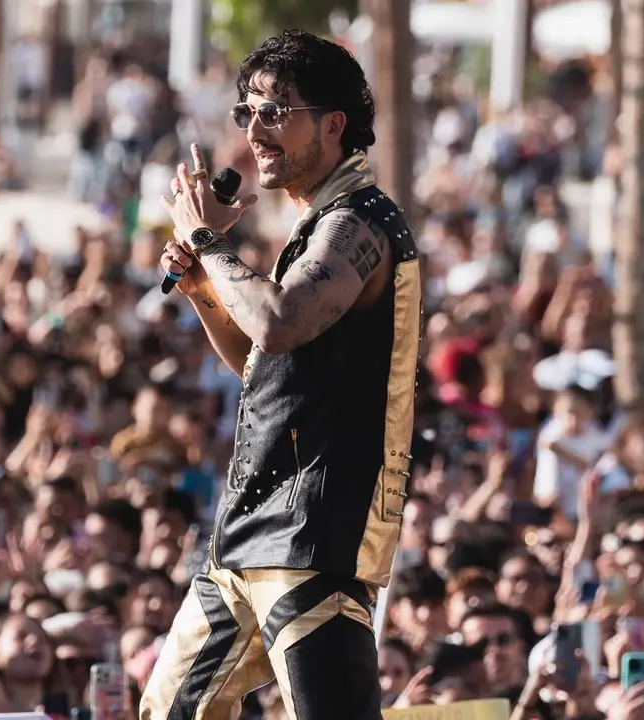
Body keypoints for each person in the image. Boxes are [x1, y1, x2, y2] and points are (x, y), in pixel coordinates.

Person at [143, 29, 421, 719]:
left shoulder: (361, 222)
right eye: (247, 112)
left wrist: (209, 241)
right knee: (170, 709)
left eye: (275, 112)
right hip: (246, 532)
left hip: (314, 536)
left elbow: (278, 322)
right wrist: (204, 286)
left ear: (332, 125)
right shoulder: (315, 224)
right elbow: (259, 361)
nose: (255, 131)